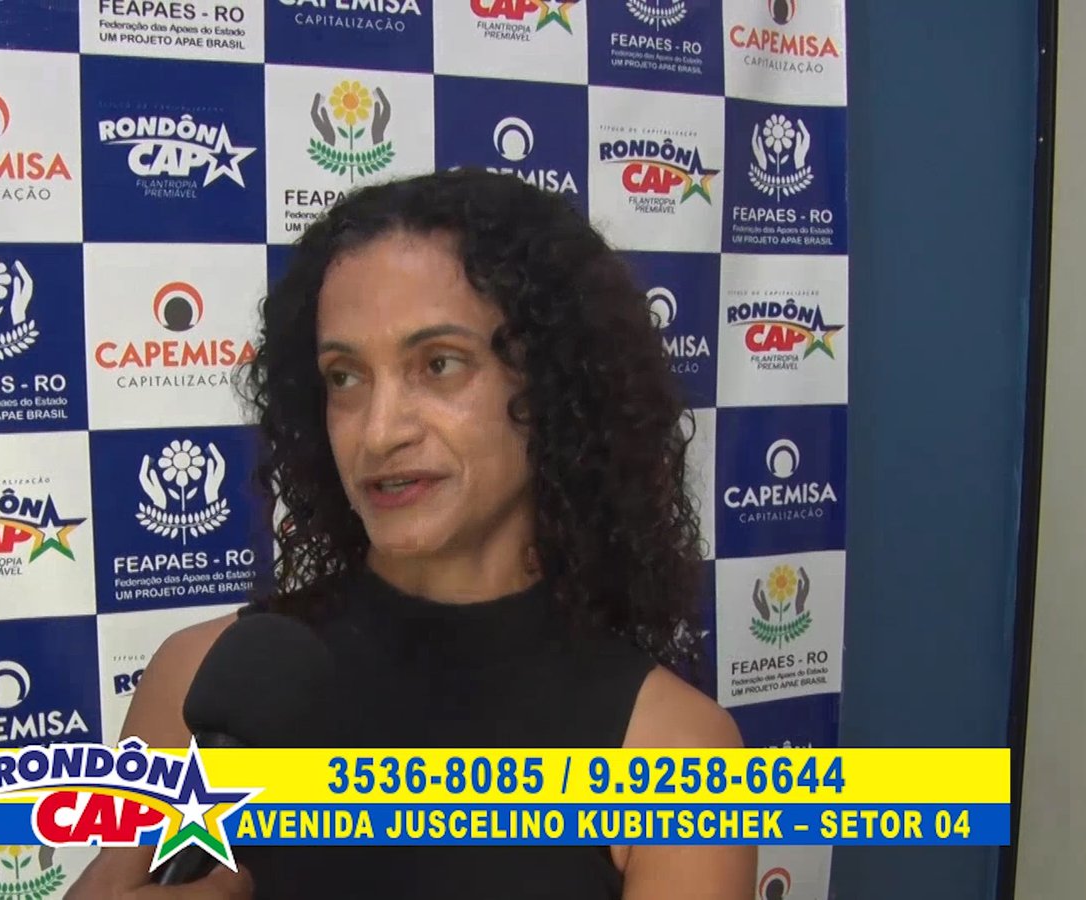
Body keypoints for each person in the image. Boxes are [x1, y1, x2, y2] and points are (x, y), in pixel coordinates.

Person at [68, 168, 756, 898]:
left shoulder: (676, 751)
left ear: (553, 387)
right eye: (344, 377)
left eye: (439, 365)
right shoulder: (199, 679)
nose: (379, 432)